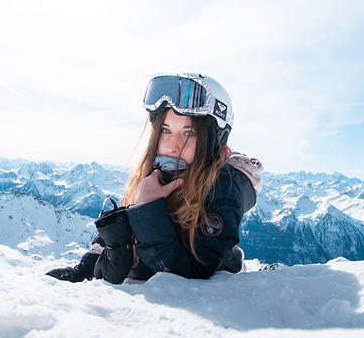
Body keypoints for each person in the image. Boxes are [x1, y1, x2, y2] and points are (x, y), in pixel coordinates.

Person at [47, 72, 263, 284]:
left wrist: (148, 208)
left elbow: (187, 274)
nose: (172, 145)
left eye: (189, 133)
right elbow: (124, 232)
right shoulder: (159, 173)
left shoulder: (224, 189)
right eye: (166, 130)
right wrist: (86, 268)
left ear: (215, 141)